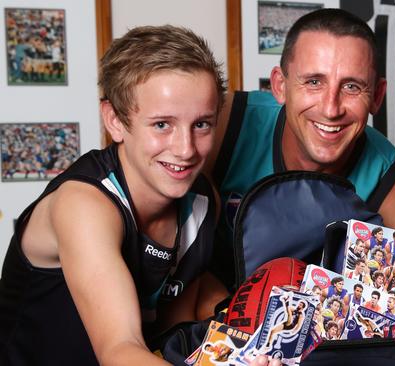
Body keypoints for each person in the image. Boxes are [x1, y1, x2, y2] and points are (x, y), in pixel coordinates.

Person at [0, 25, 226, 365]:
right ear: (115, 120)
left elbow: (176, 335)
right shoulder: (83, 204)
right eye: (162, 124)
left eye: (202, 124)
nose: (185, 149)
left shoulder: (203, 202)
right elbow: (119, 350)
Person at [209, 8, 395, 290]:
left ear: (376, 96)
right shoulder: (222, 122)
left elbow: (380, 317)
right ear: (280, 85)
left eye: (351, 86)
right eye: (314, 82)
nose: (330, 109)